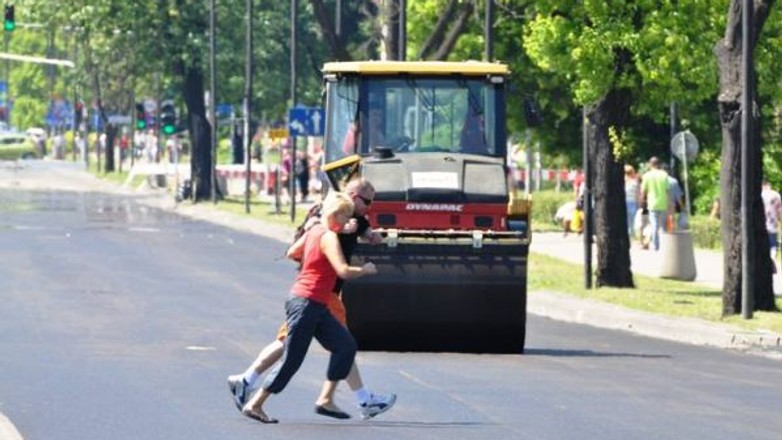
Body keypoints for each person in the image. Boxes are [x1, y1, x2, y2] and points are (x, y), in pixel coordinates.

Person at [228, 178, 395, 421]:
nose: (355, 220)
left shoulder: (328, 229)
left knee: (343, 345)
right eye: (365, 203)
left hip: (315, 301)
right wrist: (363, 268)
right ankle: (256, 401)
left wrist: (321, 252)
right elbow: (342, 270)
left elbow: (294, 252)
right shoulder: (326, 233)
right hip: (311, 299)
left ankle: (248, 381)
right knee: (292, 359)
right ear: (339, 210)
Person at [640, 156, 670, 251]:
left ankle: (656, 245)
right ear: (659, 164)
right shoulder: (664, 175)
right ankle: (666, 245)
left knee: (654, 225)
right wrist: (669, 203)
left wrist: (642, 201)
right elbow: (667, 190)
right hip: (663, 202)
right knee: (663, 225)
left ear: (650, 164)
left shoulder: (647, 176)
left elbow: (643, 191)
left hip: (652, 203)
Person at [761, 180, 781, 267]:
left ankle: (764, 262)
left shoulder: (760, 194)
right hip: (773, 224)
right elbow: (780, 211)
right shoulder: (776, 195)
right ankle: (772, 259)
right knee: (773, 245)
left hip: (762, 224)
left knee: (762, 244)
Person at [624, 164, 640, 239]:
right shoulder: (635, 182)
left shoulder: (622, 182)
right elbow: (637, 194)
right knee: (633, 222)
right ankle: (631, 236)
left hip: (624, 202)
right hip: (633, 202)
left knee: (625, 221)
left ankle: (627, 236)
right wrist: (638, 204)